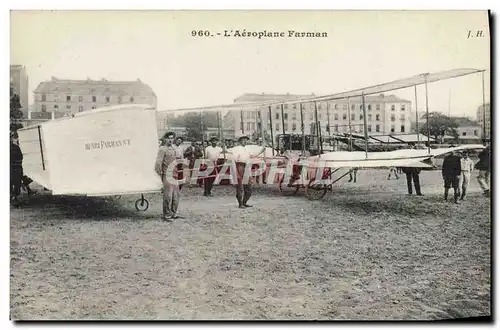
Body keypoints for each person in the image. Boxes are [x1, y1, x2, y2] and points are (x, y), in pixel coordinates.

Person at [227, 135, 265, 208]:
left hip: (246, 166)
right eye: (243, 140)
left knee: (249, 186)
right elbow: (232, 156)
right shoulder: (236, 148)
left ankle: (244, 202)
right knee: (240, 185)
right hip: (239, 166)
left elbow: (253, 156)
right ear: (240, 141)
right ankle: (240, 203)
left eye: (246, 140)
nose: (245, 141)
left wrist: (261, 151)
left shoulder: (248, 149)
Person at [155, 132, 181, 221]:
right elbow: (158, 164)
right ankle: (167, 215)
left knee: (176, 196)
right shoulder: (162, 149)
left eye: (172, 138)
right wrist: (162, 175)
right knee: (168, 196)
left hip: (174, 175)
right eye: (169, 138)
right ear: (165, 139)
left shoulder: (173, 149)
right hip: (167, 175)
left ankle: (173, 213)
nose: (170, 140)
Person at [10, 132, 23, 205]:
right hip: (11, 168)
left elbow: (21, 157)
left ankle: (15, 196)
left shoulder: (16, 147)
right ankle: (12, 196)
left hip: (16, 167)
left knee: (17, 182)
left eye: (11, 137)